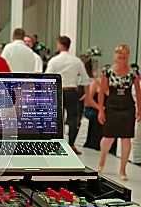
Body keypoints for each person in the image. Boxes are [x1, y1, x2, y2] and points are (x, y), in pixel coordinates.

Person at [97, 44, 141, 181]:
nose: (122, 57)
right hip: (111, 107)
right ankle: (101, 161)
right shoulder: (107, 71)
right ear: (115, 55)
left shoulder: (133, 71)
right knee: (108, 136)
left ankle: (123, 169)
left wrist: (140, 110)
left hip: (128, 108)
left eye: (125, 54)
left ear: (128, 55)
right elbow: (102, 92)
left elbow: (138, 92)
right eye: (120, 54)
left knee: (126, 138)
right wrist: (100, 110)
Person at [46, 35, 91, 155]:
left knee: (56, 119)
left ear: (60, 45)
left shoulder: (54, 60)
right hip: (72, 91)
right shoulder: (77, 61)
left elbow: (47, 77)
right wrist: (87, 95)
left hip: (58, 91)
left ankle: (56, 143)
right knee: (72, 119)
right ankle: (71, 144)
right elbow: (86, 79)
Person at [83, 77, 102, 150]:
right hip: (94, 108)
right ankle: (95, 142)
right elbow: (88, 99)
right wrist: (100, 108)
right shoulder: (95, 83)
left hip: (105, 108)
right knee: (97, 116)